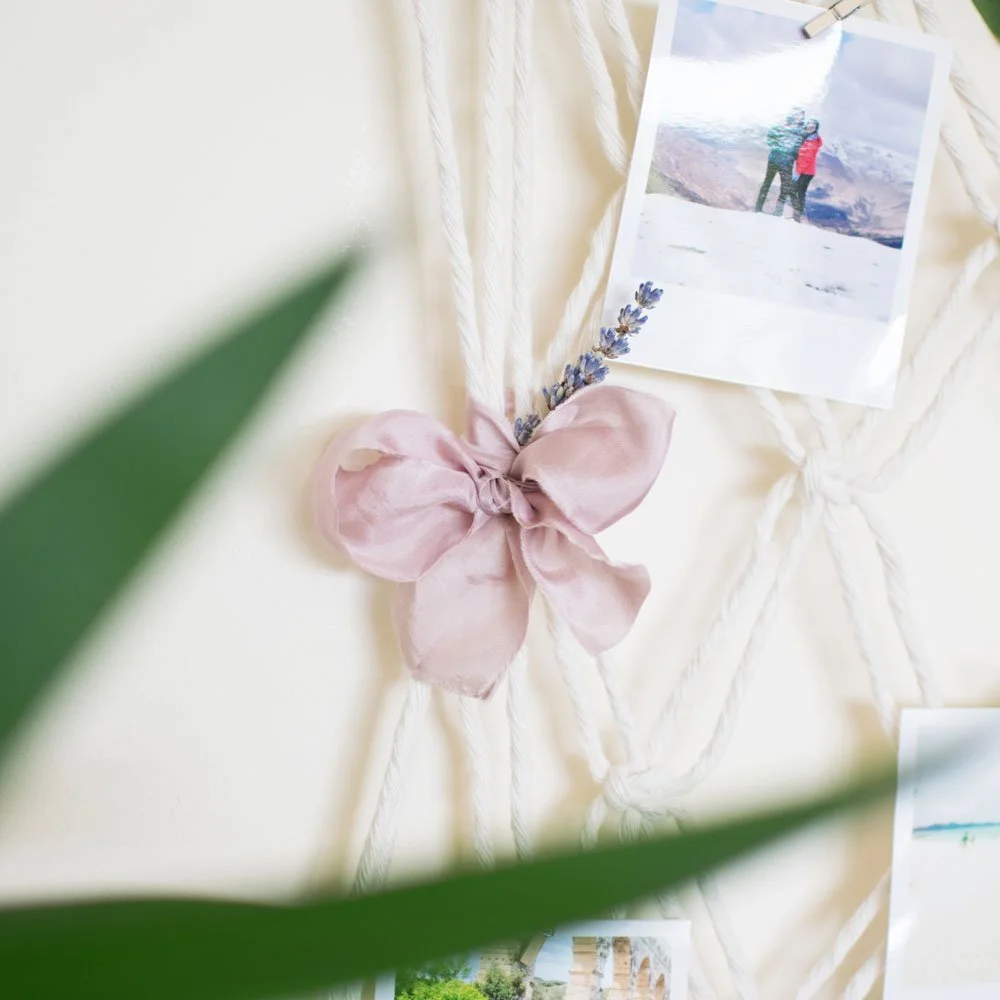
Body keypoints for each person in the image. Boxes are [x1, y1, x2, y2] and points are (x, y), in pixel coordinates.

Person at [755, 109, 806, 216]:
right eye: (796, 116)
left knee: (784, 187)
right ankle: (758, 208)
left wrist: (793, 156)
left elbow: (801, 148)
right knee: (767, 183)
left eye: (800, 116)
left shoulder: (801, 132)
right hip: (775, 160)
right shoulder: (780, 128)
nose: (798, 118)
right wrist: (778, 148)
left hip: (787, 163)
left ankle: (777, 212)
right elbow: (770, 136)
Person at [793, 119, 822, 223]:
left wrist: (798, 172)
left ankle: (797, 216)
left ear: (815, 129)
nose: (810, 128)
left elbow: (807, 159)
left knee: (799, 192)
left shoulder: (813, 142)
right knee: (798, 192)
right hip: (803, 170)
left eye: (812, 127)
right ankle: (796, 216)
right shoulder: (806, 139)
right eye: (809, 126)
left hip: (806, 172)